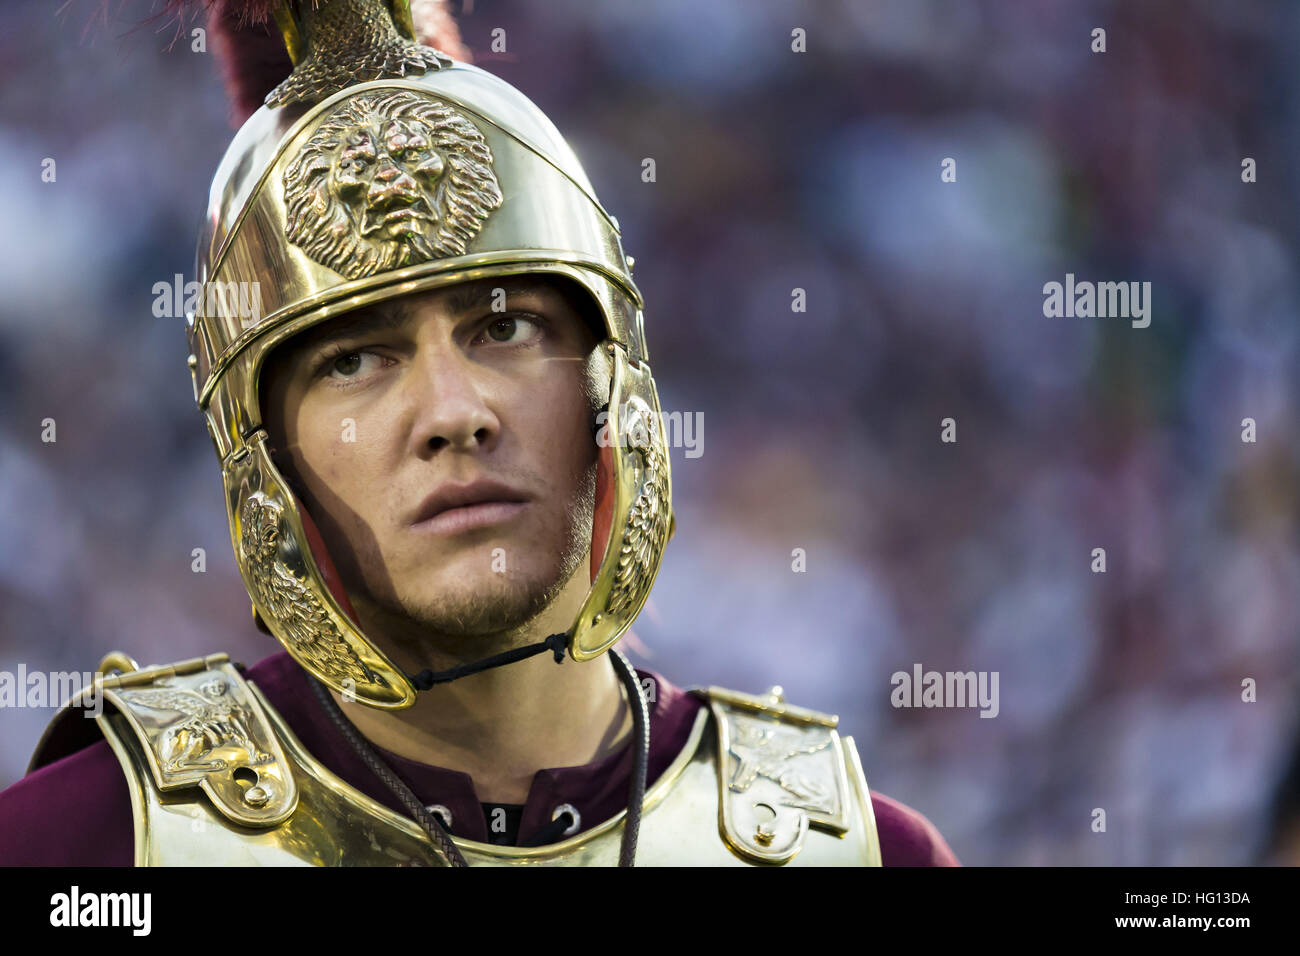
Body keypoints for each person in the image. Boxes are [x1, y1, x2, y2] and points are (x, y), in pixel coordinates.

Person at [0, 0, 958, 867]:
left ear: (613, 378)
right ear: (264, 456)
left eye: (505, 328)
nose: (455, 412)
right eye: (354, 361)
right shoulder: (80, 846)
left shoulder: (867, 854)